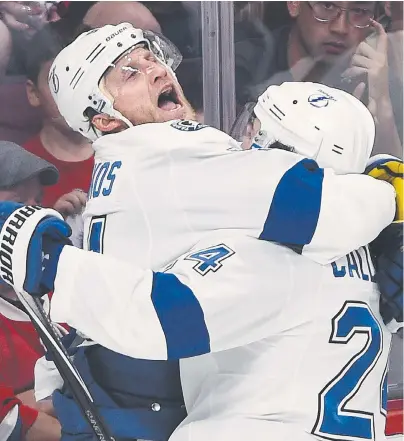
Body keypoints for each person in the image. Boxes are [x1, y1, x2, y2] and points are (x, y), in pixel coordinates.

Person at [8, 23, 400, 441]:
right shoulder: (363, 256)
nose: (242, 142)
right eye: (131, 71)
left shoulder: (256, 243)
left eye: (254, 131)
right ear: (102, 117)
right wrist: (388, 191)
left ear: (285, 158)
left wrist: (47, 259)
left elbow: (159, 314)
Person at [239, 1, 402, 158]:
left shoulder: (376, 82)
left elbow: (396, 177)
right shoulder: (240, 67)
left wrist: (383, 108)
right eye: (327, 6)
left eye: (359, 11)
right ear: (294, 3)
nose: (341, 28)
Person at [0, 141, 61, 441]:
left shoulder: (59, 290)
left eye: (36, 204)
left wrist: (26, 399)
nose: (29, 218)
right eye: (14, 205)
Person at [23, 20, 93, 216]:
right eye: (57, 81)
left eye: (81, 77)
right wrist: (52, 220)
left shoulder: (125, 148)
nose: (71, 93)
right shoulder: (20, 173)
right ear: (33, 93)